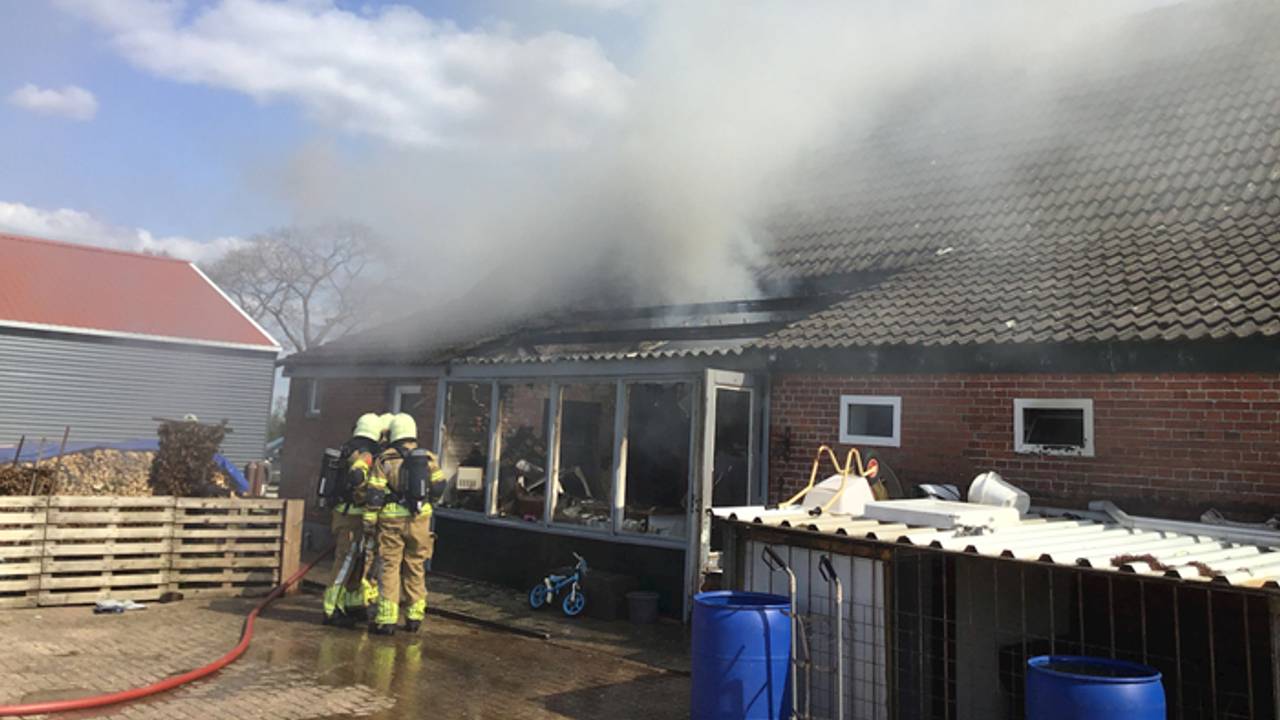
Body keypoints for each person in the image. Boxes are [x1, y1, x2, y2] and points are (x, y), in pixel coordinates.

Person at [368, 413, 445, 634]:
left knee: (389, 567)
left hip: (391, 520)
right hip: (420, 520)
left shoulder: (384, 459)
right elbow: (440, 487)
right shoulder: (429, 458)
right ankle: (414, 615)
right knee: (415, 565)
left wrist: (370, 520)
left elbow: (374, 493)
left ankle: (387, 618)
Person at [322, 412, 385, 626]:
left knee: (358, 561)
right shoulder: (365, 453)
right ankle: (331, 609)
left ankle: (351, 604)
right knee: (345, 562)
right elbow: (357, 476)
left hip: (344, 513)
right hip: (352, 517)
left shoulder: (346, 449)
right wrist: (365, 494)